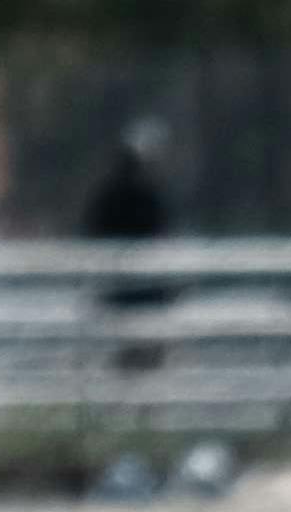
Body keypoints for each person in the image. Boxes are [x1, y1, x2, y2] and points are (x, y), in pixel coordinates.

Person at [80, 118, 181, 372]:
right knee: (135, 346)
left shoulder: (137, 195)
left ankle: (139, 374)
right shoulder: (123, 196)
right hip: (127, 288)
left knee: (144, 347)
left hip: (142, 288)